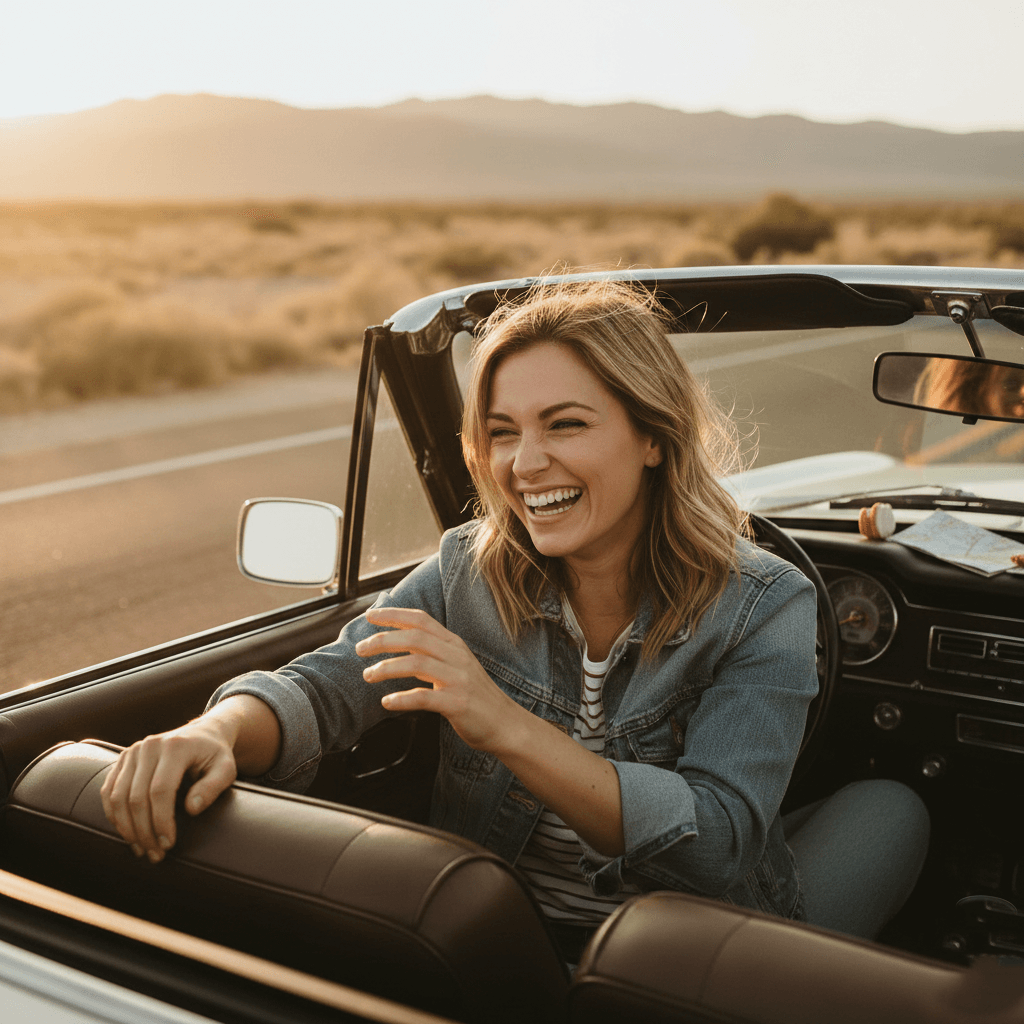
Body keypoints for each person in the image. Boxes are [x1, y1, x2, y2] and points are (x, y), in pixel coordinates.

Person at [101, 279, 928, 960]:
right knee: (896, 806)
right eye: (501, 433)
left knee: (849, 811)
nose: (525, 465)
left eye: (565, 424)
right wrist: (215, 733)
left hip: (682, 950)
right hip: (499, 950)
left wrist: (501, 723)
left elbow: (716, 844)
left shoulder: (762, 600)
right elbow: (327, 686)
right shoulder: (469, 567)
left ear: (652, 435)